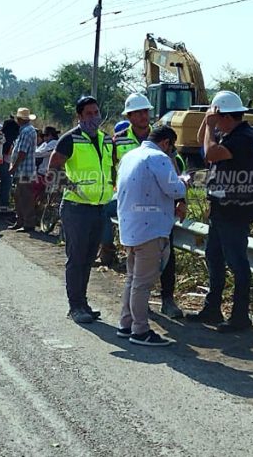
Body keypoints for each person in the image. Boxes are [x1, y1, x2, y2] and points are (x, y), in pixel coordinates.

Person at [186, 91, 253, 333]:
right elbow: (203, 142)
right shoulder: (230, 132)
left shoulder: (244, 137)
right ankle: (212, 308)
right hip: (221, 207)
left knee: (237, 262)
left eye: (217, 117)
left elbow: (210, 154)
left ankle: (240, 316)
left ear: (227, 116)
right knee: (214, 257)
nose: (214, 122)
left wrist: (210, 125)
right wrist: (207, 122)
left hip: (235, 210)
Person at [115, 126, 187, 347]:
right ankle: (140, 330)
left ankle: (126, 324)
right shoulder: (158, 157)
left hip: (131, 226)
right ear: (166, 143)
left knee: (132, 278)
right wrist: (183, 180)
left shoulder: (130, 155)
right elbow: (175, 190)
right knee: (143, 283)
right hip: (150, 229)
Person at [47, 95, 114, 324]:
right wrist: (71, 185)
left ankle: (82, 302)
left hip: (99, 208)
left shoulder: (106, 140)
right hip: (77, 208)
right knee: (76, 259)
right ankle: (75, 306)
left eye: (96, 113)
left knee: (87, 259)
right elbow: (53, 169)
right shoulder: (70, 139)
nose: (94, 117)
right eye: (89, 114)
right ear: (79, 116)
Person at [101, 93, 154, 267]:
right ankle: (108, 253)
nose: (143, 116)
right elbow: (109, 166)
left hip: (155, 196)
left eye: (145, 111)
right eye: (138, 113)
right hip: (126, 196)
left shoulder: (159, 136)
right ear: (129, 116)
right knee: (102, 210)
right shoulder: (118, 140)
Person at [9, 107, 38, 232]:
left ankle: (28, 222)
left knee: (25, 197)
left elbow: (22, 153)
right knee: (19, 196)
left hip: (25, 170)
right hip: (23, 170)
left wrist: (13, 167)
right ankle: (21, 220)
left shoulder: (27, 131)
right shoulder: (26, 130)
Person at [0, 114, 20, 219]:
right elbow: (9, 154)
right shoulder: (13, 139)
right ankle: (4, 207)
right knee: (6, 186)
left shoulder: (1, 136)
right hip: (6, 164)